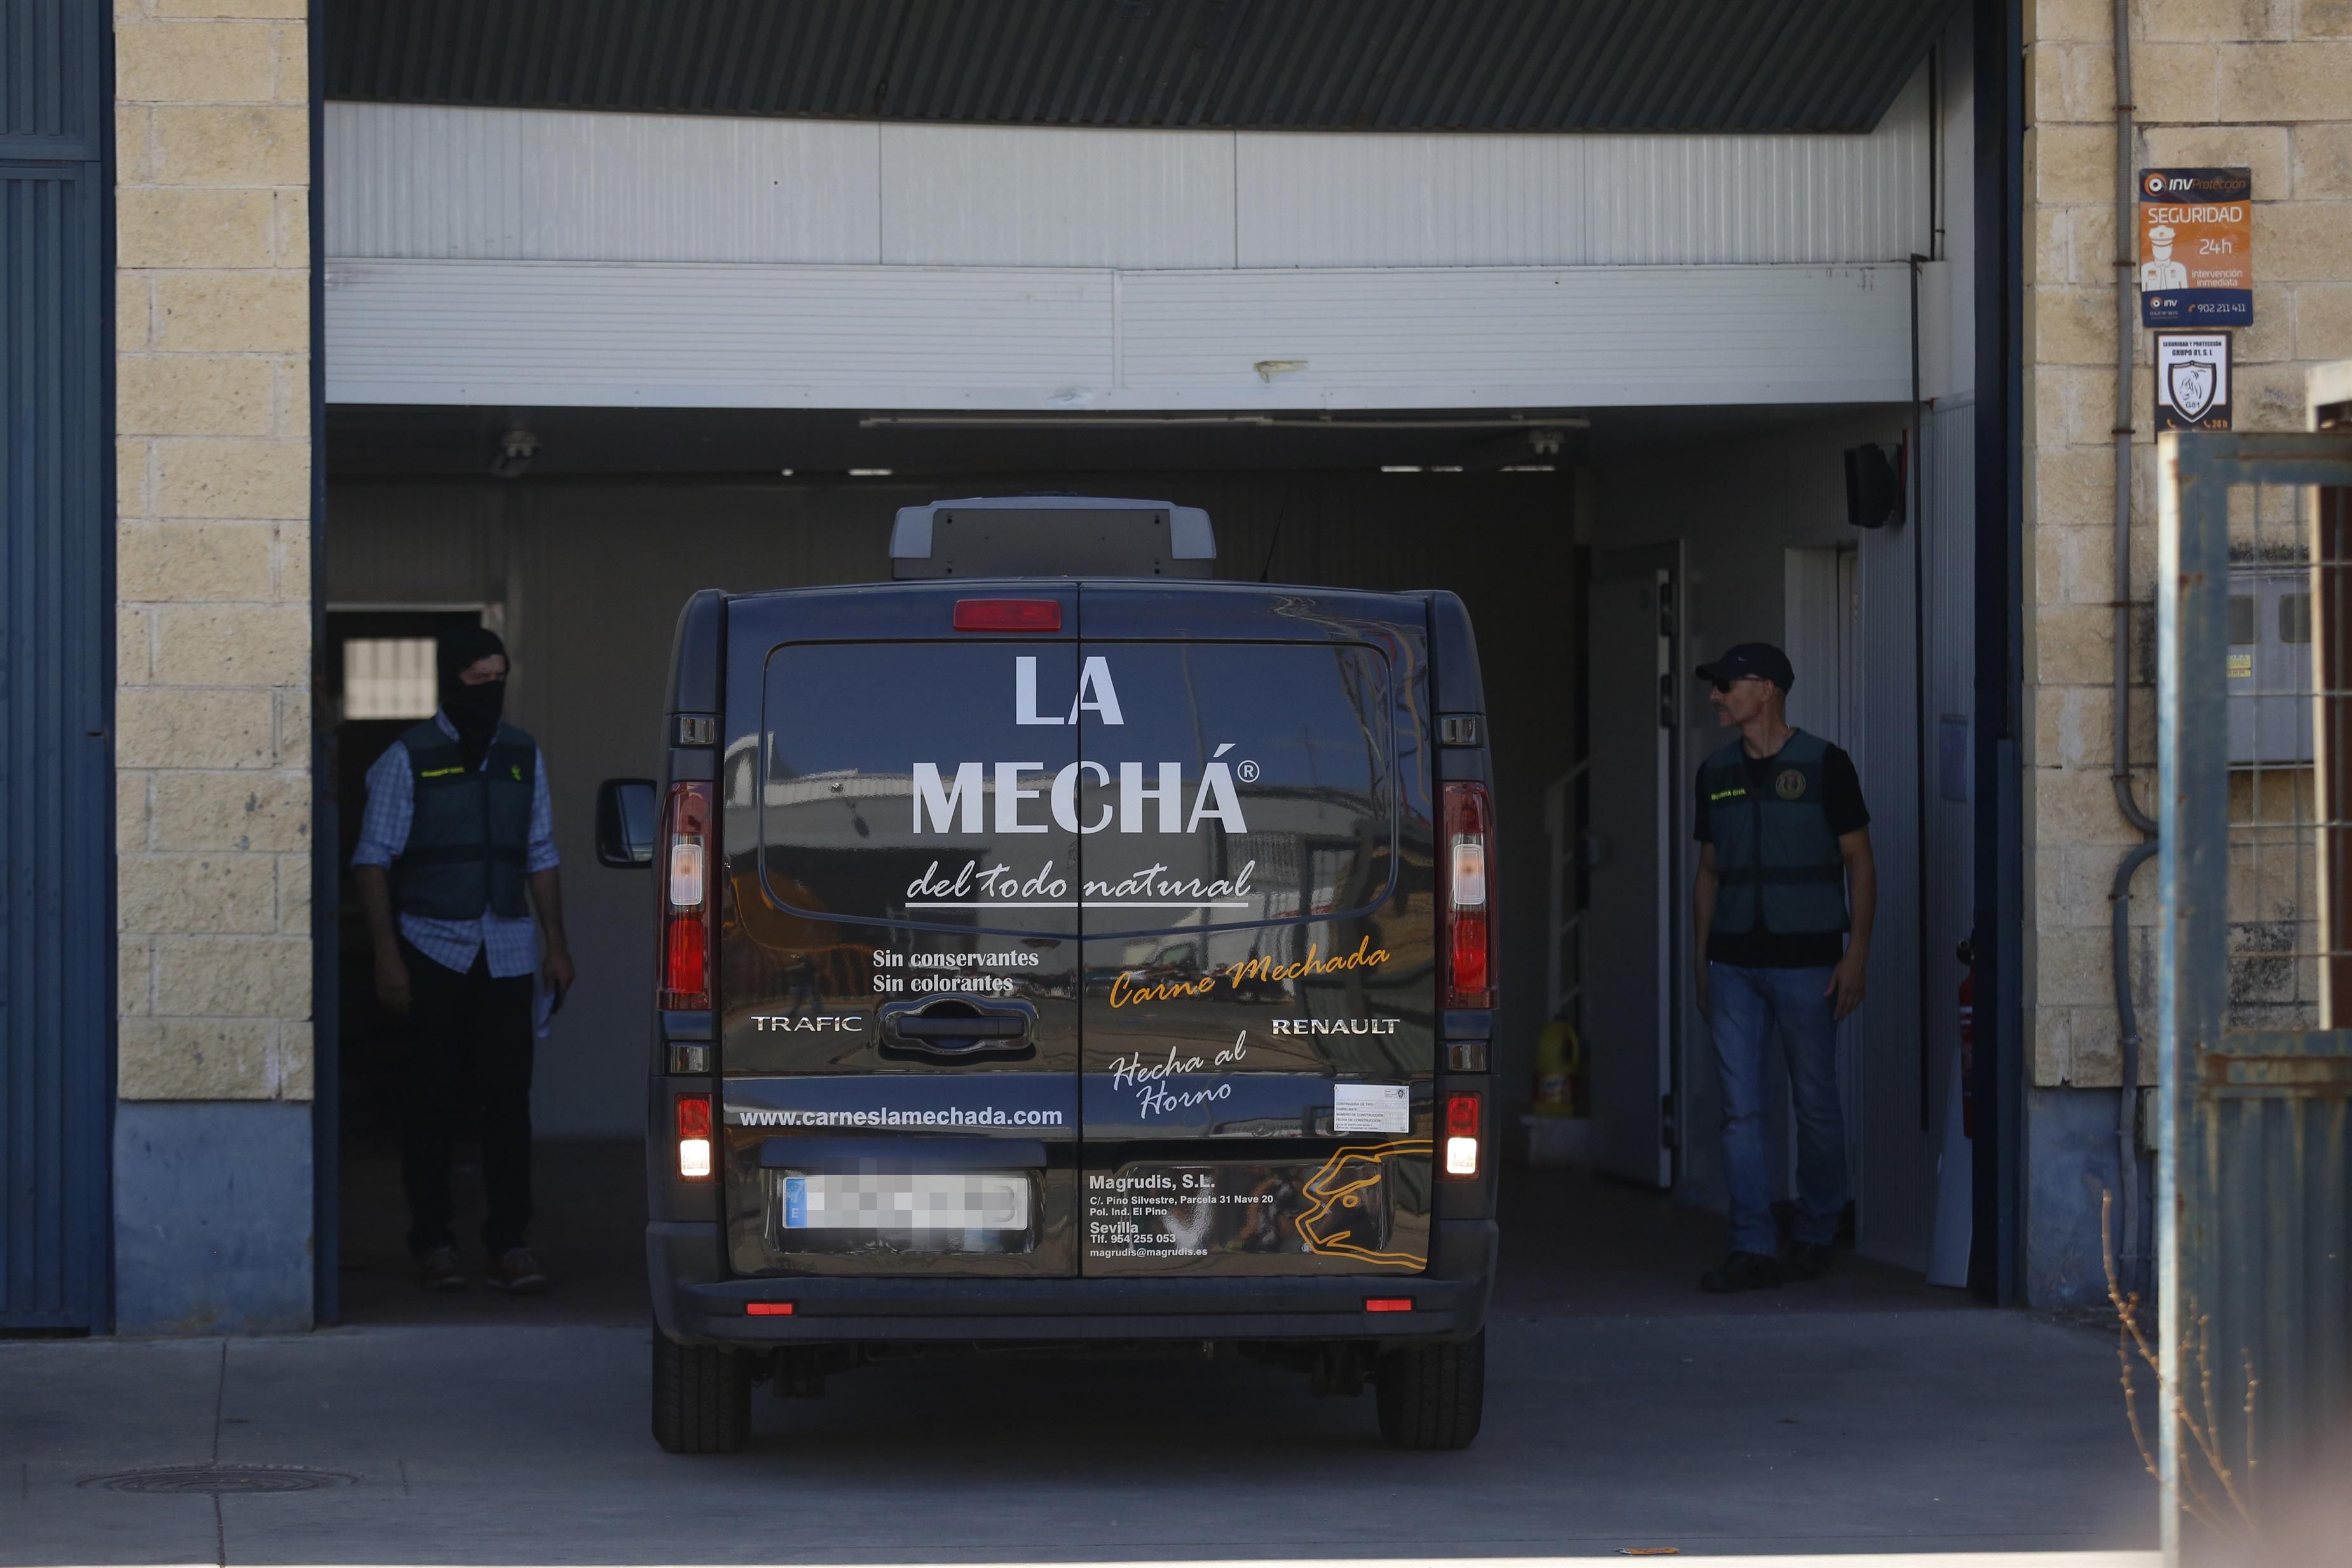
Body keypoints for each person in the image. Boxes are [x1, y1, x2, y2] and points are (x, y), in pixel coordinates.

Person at [351, 627, 575, 1293]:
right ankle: (435, 1242)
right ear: (452, 681)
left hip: (507, 952)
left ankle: (510, 1242)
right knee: (430, 1102)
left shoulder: (521, 755)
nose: (492, 692)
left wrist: (557, 944)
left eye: (499, 679)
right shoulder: (407, 758)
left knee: (508, 1102)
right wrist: (388, 958)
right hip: (430, 948)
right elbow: (370, 861)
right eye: (480, 682)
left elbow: (541, 853)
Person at [1688, 643, 1876, 1293]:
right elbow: (1707, 873)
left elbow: (1860, 862)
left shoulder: (1826, 764)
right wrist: (1700, 959)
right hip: (1734, 963)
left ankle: (1817, 1231)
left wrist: (1855, 955)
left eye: (1725, 685)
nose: (1715, 695)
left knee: (1814, 1103)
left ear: (1765, 689)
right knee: (1740, 1112)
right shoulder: (1714, 772)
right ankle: (1752, 1243)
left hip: (1808, 963)